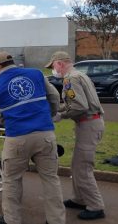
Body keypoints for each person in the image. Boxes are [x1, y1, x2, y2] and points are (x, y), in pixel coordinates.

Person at [0, 51, 65, 224]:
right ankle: (56, 220)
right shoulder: (36, 74)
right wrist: (49, 115)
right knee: (51, 179)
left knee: (11, 181)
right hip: (45, 135)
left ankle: (12, 220)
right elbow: (54, 96)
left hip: (17, 138)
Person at [45, 51, 105, 220]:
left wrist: (60, 116)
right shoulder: (80, 75)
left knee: (82, 167)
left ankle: (95, 206)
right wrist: (58, 109)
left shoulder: (70, 79)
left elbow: (80, 107)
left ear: (60, 63)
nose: (53, 70)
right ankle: (80, 198)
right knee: (77, 164)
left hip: (88, 124)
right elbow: (75, 103)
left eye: (53, 66)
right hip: (90, 123)